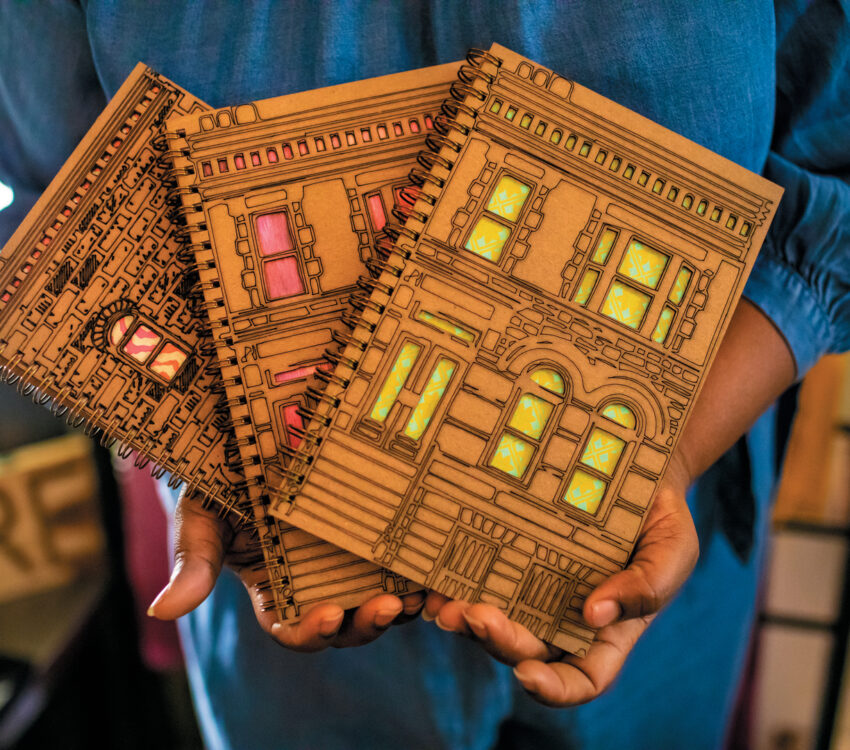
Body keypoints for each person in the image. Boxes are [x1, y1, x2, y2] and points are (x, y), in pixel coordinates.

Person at [1, 2, 847, 748]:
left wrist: (667, 457)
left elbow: (831, 191)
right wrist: (204, 441)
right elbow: (72, 213)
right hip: (274, 568)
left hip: (634, 538)